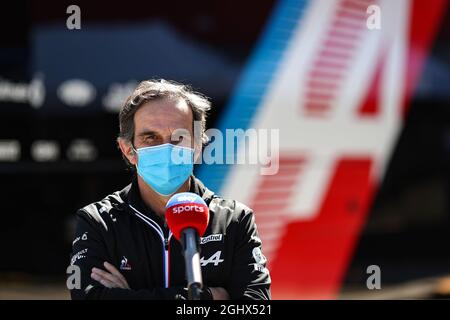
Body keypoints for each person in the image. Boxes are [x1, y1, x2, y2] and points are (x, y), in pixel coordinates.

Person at [69, 79, 271, 300]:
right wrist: (207, 297)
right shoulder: (98, 222)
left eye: (179, 137)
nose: (166, 148)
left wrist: (128, 296)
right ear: (128, 150)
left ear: (197, 146)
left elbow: (255, 305)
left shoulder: (235, 220)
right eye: (151, 138)